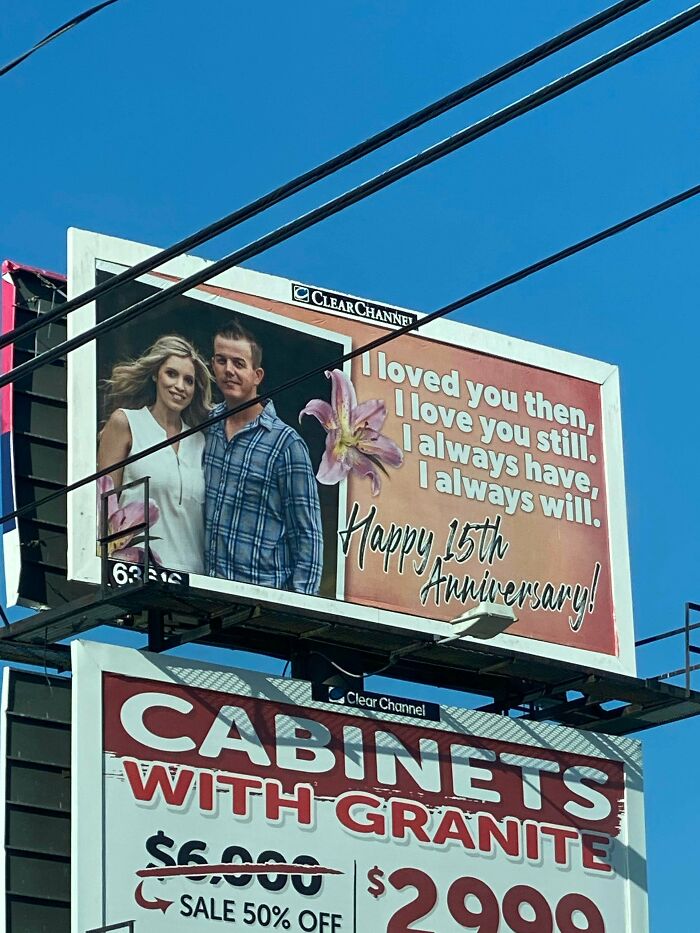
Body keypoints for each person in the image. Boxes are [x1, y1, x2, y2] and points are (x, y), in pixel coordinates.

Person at [204, 319, 323, 595]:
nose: (229, 371)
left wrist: (298, 610)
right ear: (212, 365)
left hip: (263, 602)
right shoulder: (204, 425)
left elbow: (308, 535)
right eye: (221, 361)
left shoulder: (286, 444)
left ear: (257, 375)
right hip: (208, 595)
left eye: (239, 363)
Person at [97, 334, 212, 573]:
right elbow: (102, 505)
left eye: (189, 380)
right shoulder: (126, 422)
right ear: (155, 374)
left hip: (194, 580)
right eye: (172, 374)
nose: (180, 386)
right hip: (136, 574)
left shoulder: (200, 441)